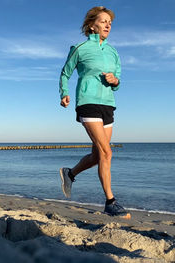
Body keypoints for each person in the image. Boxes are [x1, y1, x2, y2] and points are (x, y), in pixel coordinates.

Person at [59, 6, 130, 219]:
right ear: (92, 25)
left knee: (99, 155)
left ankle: (69, 174)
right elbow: (65, 72)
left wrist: (115, 81)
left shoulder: (113, 52)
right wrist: (64, 92)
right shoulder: (80, 48)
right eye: (104, 21)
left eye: (110, 22)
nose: (108, 24)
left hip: (108, 104)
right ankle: (110, 202)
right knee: (107, 152)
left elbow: (118, 80)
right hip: (87, 102)